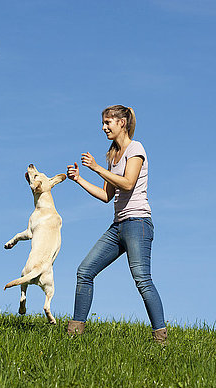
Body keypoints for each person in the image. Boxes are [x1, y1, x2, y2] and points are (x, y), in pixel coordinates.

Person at [66, 105, 167, 344]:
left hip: (138, 223)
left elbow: (128, 183)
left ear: (121, 122)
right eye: (103, 123)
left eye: (107, 122)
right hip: (118, 226)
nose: (103, 127)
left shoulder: (136, 149)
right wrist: (80, 178)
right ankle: (74, 333)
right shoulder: (113, 155)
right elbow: (106, 196)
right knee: (85, 271)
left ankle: (161, 338)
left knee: (142, 279)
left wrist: (97, 168)